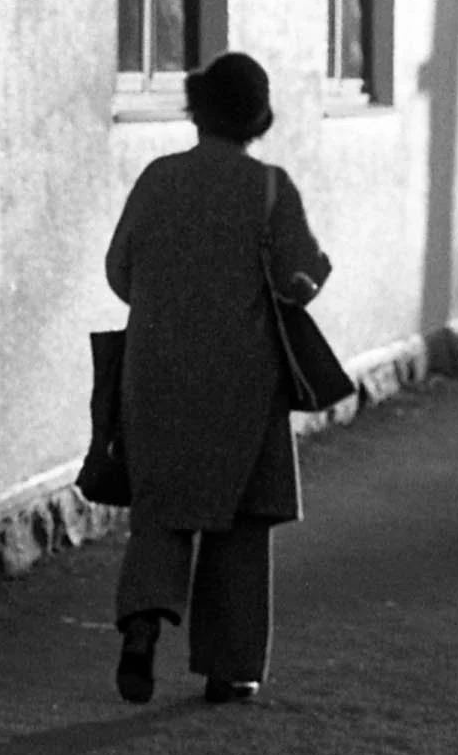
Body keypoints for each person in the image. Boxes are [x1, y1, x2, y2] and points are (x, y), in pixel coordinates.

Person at [103, 52, 331, 705]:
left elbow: (120, 269)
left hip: (157, 372)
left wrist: (166, 310)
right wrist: (313, 272)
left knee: (161, 511)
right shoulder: (269, 188)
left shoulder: (158, 179)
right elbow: (298, 279)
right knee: (242, 523)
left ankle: (143, 624)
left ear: (197, 108)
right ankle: (230, 669)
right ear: (259, 117)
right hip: (245, 380)